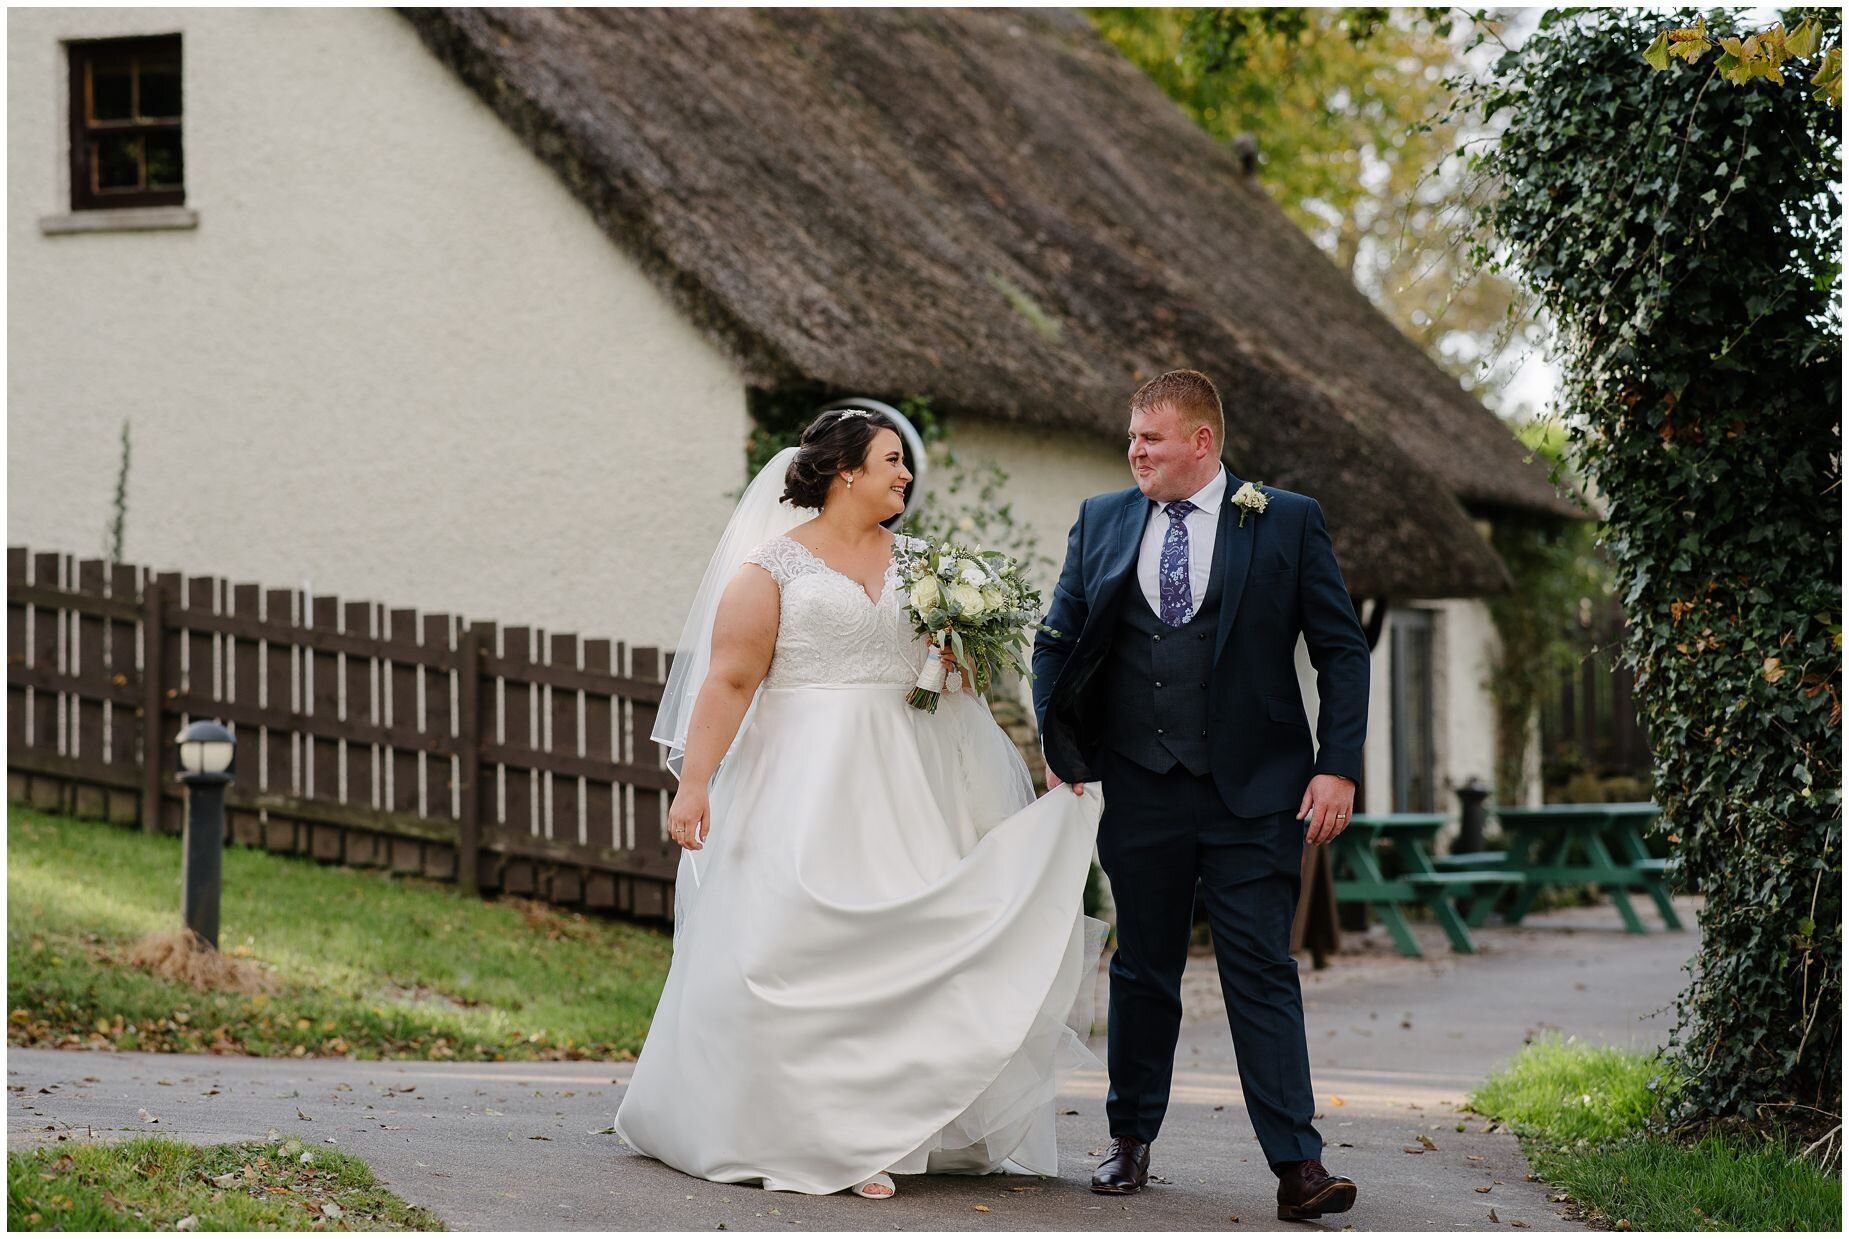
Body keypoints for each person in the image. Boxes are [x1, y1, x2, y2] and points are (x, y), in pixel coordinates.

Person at [614, 408, 1105, 1200]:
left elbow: (961, 682)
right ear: (844, 469)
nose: (905, 474)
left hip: (912, 777)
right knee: (800, 948)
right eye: (890, 461)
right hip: (804, 782)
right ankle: (820, 1135)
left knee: (916, 944)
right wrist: (695, 780)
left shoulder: (924, 565)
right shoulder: (767, 571)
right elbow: (732, 681)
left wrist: (955, 660)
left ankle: (902, 1124)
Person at [1032, 369, 1371, 1222]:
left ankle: (1298, 1165)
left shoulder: (1284, 520)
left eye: (1150, 437)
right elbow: (1057, 640)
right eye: (1132, 437)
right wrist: (1059, 742)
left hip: (1256, 791)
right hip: (1141, 787)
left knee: (1260, 967)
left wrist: (1337, 763)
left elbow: (1341, 650)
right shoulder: (1101, 519)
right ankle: (1129, 1141)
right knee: (1144, 968)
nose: (1134, 451)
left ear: (1202, 442)